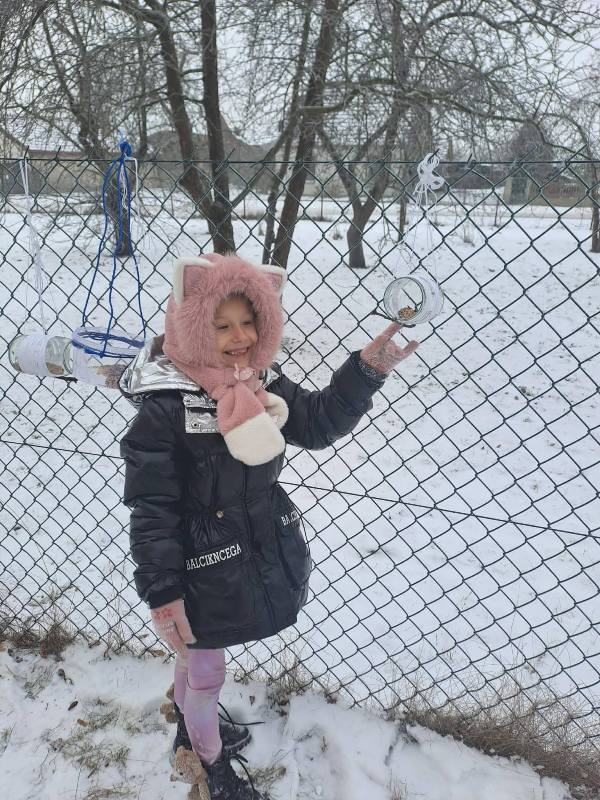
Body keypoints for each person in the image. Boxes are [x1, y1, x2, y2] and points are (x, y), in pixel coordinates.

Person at [119, 253, 419, 800]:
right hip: (195, 567)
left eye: (248, 321)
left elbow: (317, 422)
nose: (239, 337)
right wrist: (163, 592)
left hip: (251, 549)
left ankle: (188, 727)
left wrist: (365, 372)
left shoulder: (260, 381)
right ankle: (210, 770)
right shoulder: (166, 407)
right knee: (206, 669)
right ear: (191, 324)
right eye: (221, 325)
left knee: (195, 658)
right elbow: (152, 507)